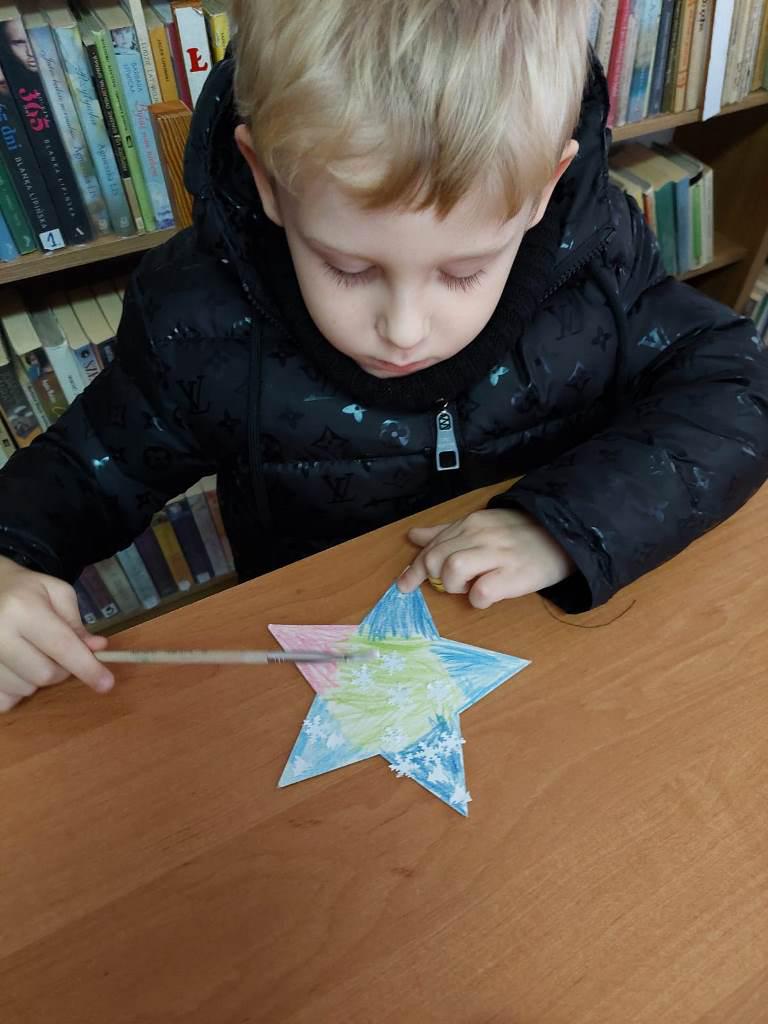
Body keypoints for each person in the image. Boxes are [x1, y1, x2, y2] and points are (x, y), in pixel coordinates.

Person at [0, 0, 766, 713]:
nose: (404, 330)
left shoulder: (596, 264)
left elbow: (738, 387)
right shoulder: (195, 320)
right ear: (267, 179)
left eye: (464, 271)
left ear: (544, 189)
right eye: (348, 267)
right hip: (322, 669)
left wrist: (564, 525)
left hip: (548, 657)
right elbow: (86, 468)